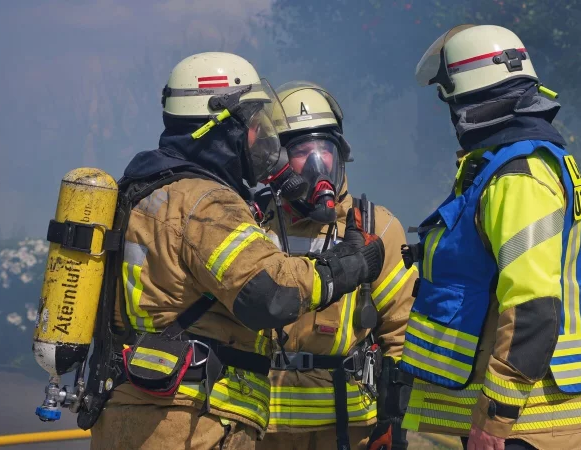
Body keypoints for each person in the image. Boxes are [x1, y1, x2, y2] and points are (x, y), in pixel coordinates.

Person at [88, 52, 386, 450]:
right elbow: (271, 296)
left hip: (131, 410)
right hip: (188, 423)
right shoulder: (207, 203)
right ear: (220, 127)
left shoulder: (143, 190)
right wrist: (350, 265)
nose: (258, 137)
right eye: (251, 123)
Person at [397, 25, 581, 450]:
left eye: (451, 102)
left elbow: (533, 308)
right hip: (519, 424)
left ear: (467, 100)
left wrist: (495, 418)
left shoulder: (518, 178)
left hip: (520, 428)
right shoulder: (512, 167)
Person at [254, 81, 417, 450]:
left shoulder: (376, 228)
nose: (318, 163)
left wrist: (393, 420)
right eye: (302, 151)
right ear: (276, 160)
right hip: (261, 424)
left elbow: (403, 331)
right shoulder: (252, 224)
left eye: (324, 150)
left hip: (348, 428)